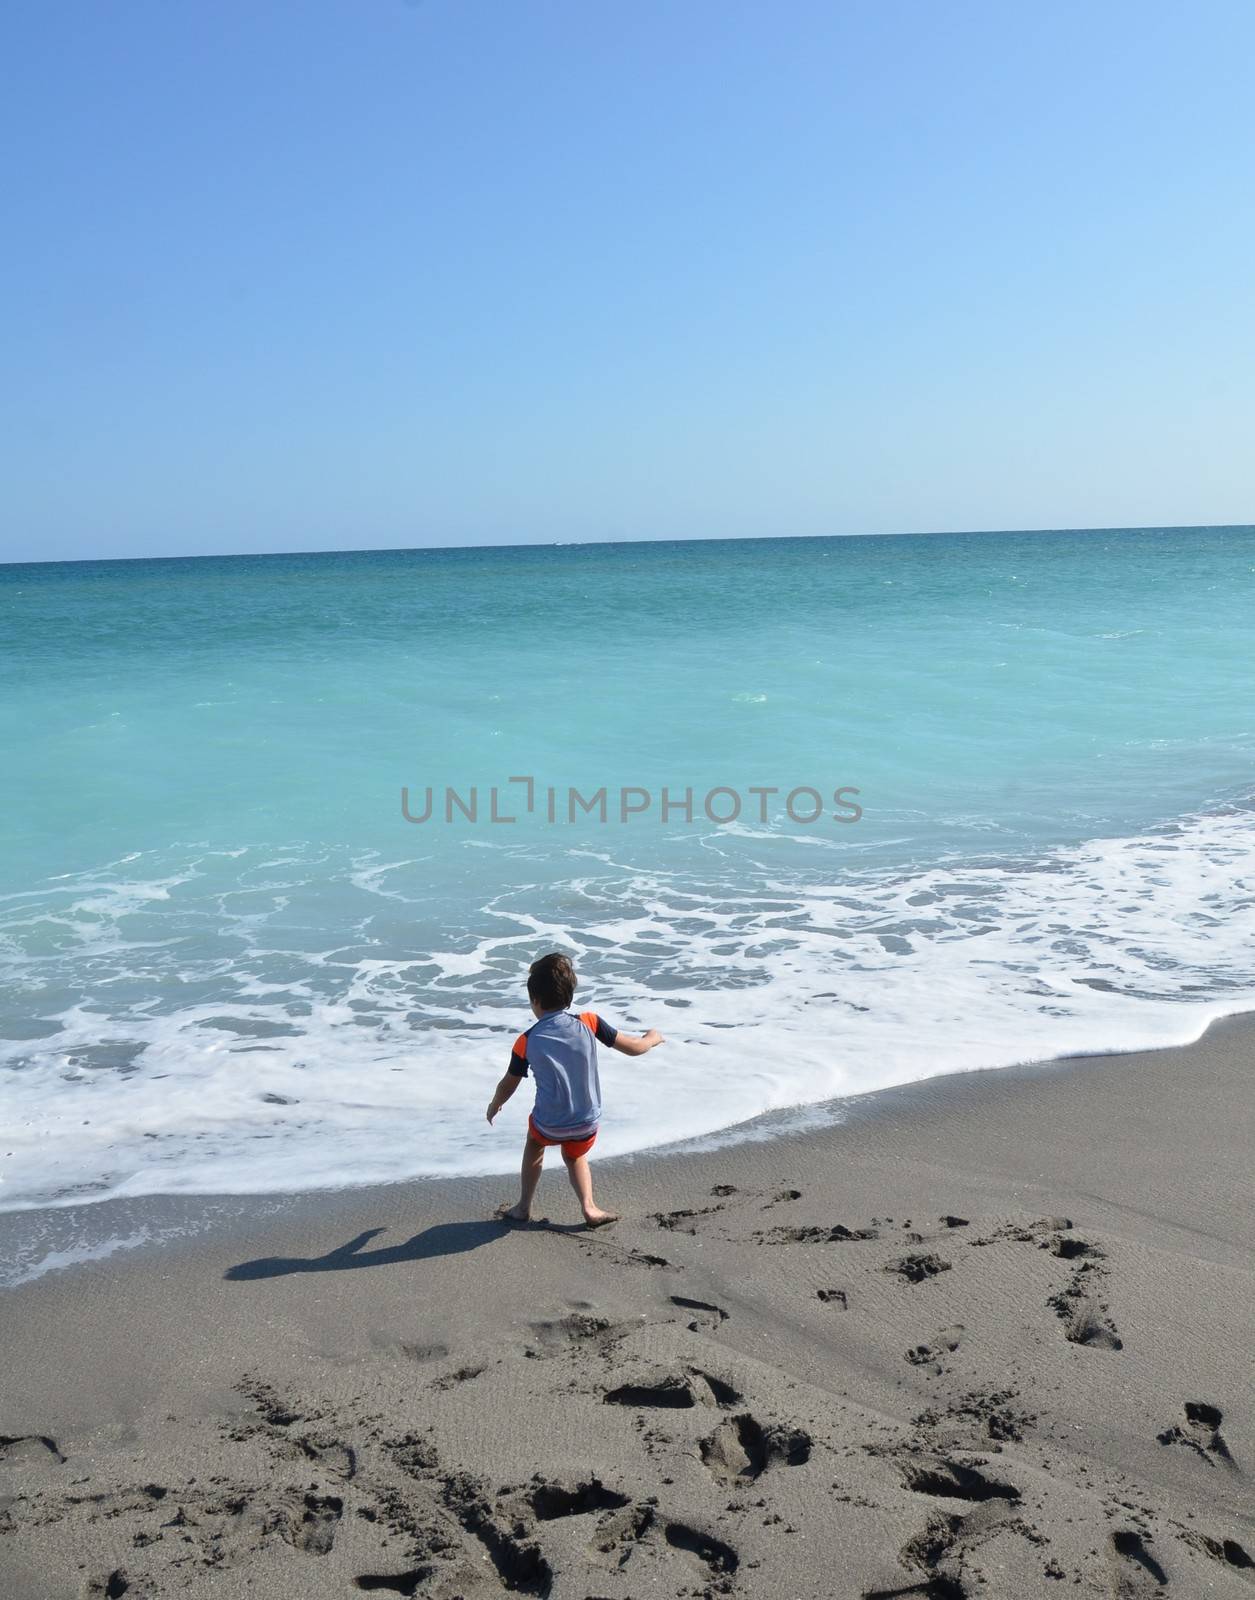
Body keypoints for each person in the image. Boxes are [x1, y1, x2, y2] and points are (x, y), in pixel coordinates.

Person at [487, 952, 664, 1227]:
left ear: (534, 1001)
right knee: (575, 1155)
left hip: (548, 1125)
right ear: (569, 997)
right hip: (587, 1122)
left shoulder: (527, 1040)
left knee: (534, 1144)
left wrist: (495, 1103)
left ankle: (523, 1206)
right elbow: (633, 1048)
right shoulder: (589, 1022)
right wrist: (652, 1039)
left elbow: (509, 1082)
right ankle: (589, 1208)